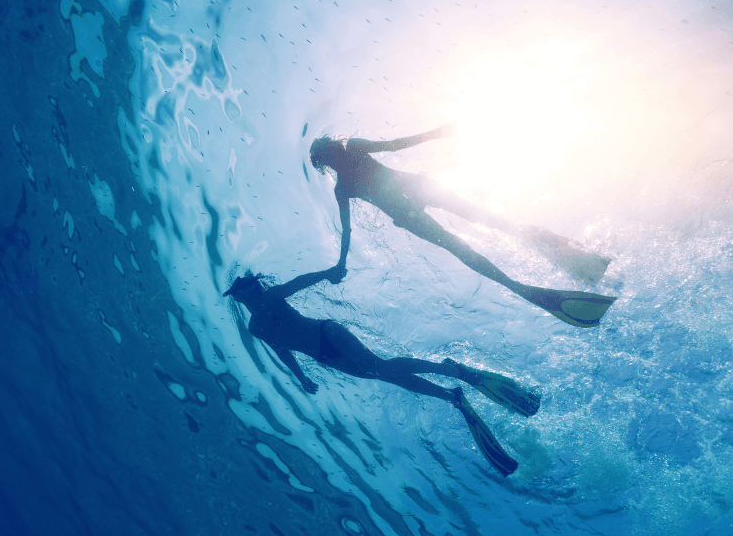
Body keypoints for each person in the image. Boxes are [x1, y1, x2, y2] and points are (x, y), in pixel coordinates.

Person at [225, 268, 539, 476]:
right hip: (324, 356)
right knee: (382, 374)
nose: (239, 296)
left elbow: (299, 283)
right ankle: (451, 395)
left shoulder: (270, 297)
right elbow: (283, 350)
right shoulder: (255, 327)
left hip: (328, 334)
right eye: (237, 294)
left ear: (248, 289)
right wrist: (302, 377)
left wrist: (329, 272)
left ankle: (452, 371)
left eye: (239, 291)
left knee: (380, 366)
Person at [309, 125, 616, 328]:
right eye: (329, 156)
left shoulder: (350, 161)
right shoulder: (344, 182)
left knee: (475, 231)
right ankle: (524, 282)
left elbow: (396, 144)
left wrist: (436, 133)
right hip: (413, 202)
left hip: (413, 201)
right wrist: (340, 263)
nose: (334, 157)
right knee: (468, 239)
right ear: (328, 159)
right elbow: (348, 228)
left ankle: (533, 272)